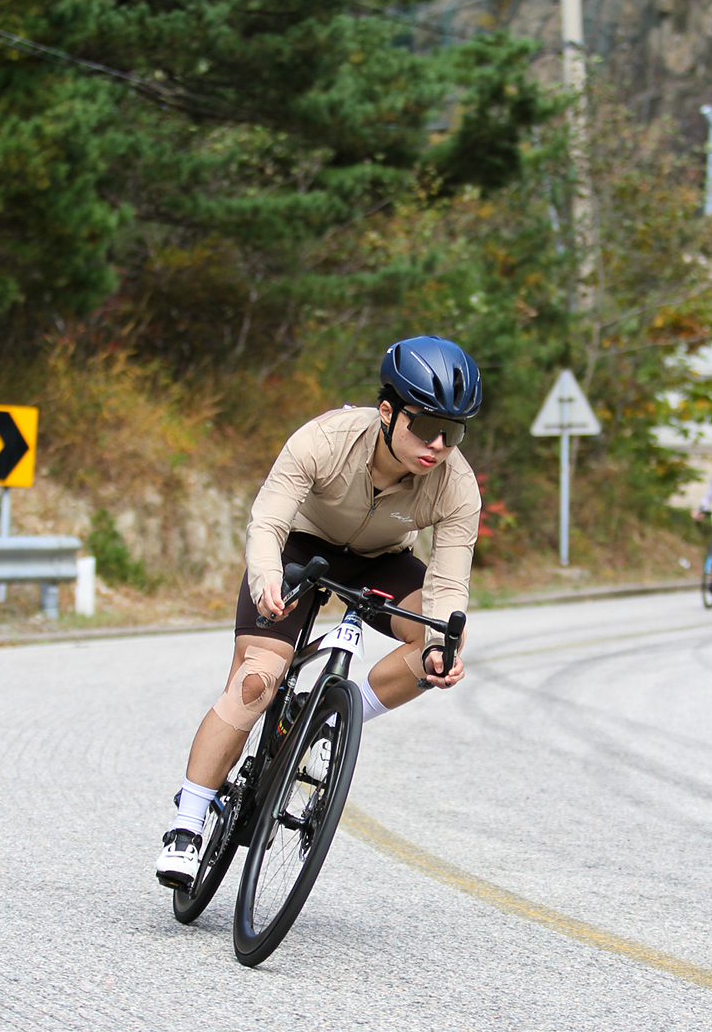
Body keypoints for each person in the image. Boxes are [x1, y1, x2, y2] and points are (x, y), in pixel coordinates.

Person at [156, 335, 483, 889]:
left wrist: (439, 647)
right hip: (299, 550)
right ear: (387, 412)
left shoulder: (457, 485)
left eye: (452, 433)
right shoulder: (326, 439)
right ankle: (187, 825)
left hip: (382, 561)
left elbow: (448, 583)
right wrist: (267, 578)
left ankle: (331, 718)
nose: (437, 444)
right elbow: (268, 522)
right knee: (256, 680)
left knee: (444, 642)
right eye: (426, 426)